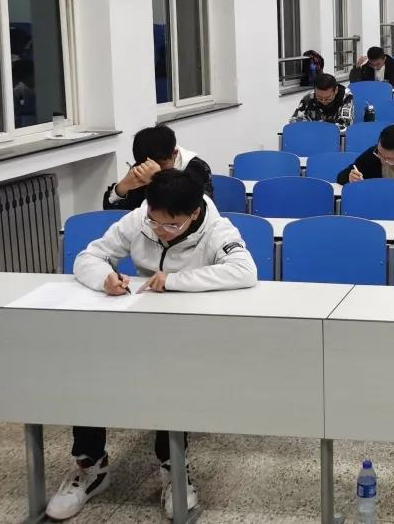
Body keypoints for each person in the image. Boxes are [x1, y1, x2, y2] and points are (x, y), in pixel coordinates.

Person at [48, 170, 257, 521]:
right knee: (86, 366)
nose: (160, 230)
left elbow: (244, 271)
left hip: (188, 331)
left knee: (170, 377)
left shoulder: (217, 229)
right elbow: (88, 257)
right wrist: (105, 278)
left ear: (194, 214)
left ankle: (173, 466)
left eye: (171, 225)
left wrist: (173, 280)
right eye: (154, 221)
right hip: (136, 322)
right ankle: (90, 465)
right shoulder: (139, 219)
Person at [103, 125, 212, 211]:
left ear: (174, 153)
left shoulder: (196, 168)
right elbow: (116, 214)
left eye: (160, 164)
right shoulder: (143, 168)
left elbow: (199, 210)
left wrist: (156, 182)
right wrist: (122, 188)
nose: (152, 169)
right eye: (147, 164)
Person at [289, 72, 355, 129]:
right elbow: (294, 121)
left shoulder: (346, 96)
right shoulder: (309, 98)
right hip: (313, 135)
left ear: (336, 90)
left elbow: (345, 124)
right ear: (315, 90)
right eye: (319, 97)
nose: (323, 101)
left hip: (336, 136)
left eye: (327, 98)